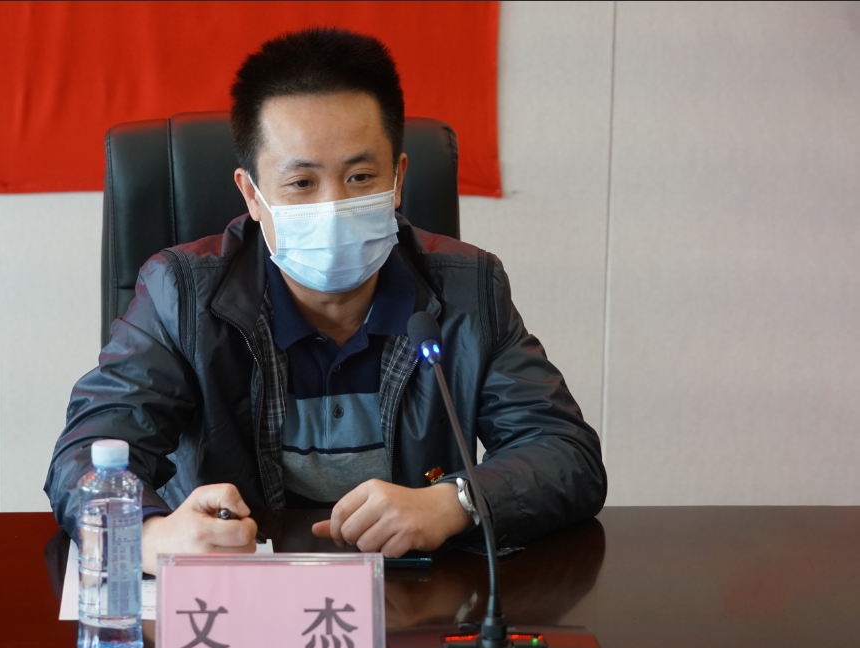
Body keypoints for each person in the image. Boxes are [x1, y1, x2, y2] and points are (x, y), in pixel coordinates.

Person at [44, 28, 606, 574]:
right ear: (251, 195)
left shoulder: (469, 289)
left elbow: (566, 453)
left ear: (398, 179)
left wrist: (453, 502)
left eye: (360, 177)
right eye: (302, 183)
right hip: (239, 597)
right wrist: (146, 536)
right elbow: (88, 453)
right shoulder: (180, 295)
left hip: (409, 601)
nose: (333, 205)